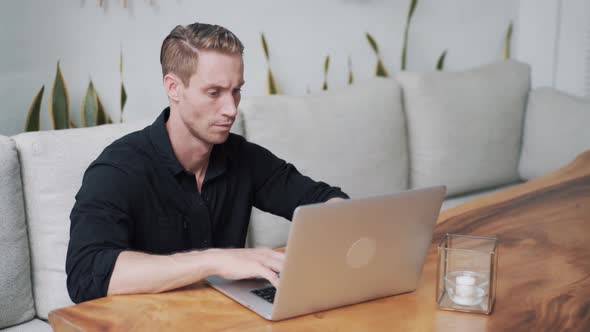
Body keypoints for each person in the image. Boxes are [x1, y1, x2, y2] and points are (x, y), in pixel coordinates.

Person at [65, 22, 348, 304]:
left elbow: (324, 200)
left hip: (225, 317)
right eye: (214, 93)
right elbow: (86, 273)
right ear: (173, 87)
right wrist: (214, 261)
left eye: (236, 90)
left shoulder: (243, 157)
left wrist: (344, 222)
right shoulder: (117, 170)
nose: (231, 109)